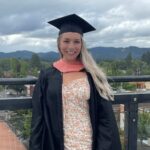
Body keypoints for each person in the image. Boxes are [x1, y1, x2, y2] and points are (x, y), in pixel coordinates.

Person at [29, 14, 122, 150]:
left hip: (87, 143)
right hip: (56, 143)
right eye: (66, 41)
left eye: (76, 41)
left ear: (82, 44)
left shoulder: (92, 75)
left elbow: (105, 119)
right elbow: (38, 117)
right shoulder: (46, 76)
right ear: (59, 43)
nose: (71, 46)